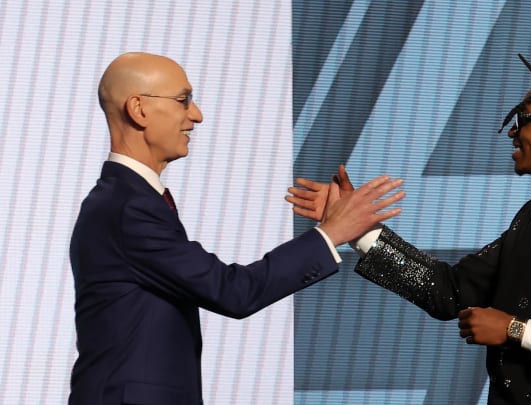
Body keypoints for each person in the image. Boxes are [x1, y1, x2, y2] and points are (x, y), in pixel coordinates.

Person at [287, 53, 531, 404]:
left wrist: (515, 329)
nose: (513, 130)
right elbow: (451, 290)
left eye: (526, 117)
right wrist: (356, 229)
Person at [68, 52, 405, 405]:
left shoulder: (126, 200)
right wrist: (333, 232)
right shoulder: (129, 208)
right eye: (183, 100)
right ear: (138, 109)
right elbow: (234, 291)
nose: (196, 115)